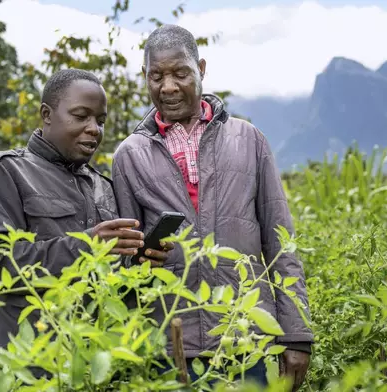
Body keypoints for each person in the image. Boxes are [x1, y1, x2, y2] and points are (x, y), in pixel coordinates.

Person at [111, 25, 314, 390]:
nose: (168, 86)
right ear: (145, 77)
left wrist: (296, 334)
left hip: (246, 339)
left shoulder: (248, 139)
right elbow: (124, 260)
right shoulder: (129, 154)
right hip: (168, 347)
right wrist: (138, 260)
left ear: (201, 69)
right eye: (156, 76)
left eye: (180, 73)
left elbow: (281, 243)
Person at [0, 69, 172, 357]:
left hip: (99, 360)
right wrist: (86, 246)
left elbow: (113, 279)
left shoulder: (103, 186)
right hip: (32, 364)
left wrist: (141, 266)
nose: (94, 129)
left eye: (100, 121)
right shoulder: (6, 173)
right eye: (81, 116)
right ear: (47, 114)